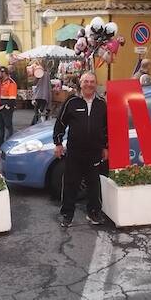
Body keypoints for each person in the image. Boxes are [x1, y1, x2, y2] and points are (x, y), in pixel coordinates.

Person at [53, 72, 108, 228]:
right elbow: (60, 124)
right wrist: (58, 143)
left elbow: (106, 128)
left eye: (92, 82)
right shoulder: (71, 101)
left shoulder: (101, 103)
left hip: (95, 152)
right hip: (75, 151)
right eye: (86, 81)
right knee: (71, 184)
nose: (89, 84)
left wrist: (106, 147)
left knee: (93, 185)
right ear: (80, 83)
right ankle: (67, 215)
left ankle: (93, 213)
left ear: (95, 84)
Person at [0, 67, 17, 146]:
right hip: (0, 105)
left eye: (0, 72)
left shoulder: (11, 82)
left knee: (8, 125)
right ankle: (0, 143)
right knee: (0, 125)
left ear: (4, 73)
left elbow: (12, 98)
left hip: (6, 106)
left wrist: (7, 106)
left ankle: (9, 143)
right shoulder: (1, 82)